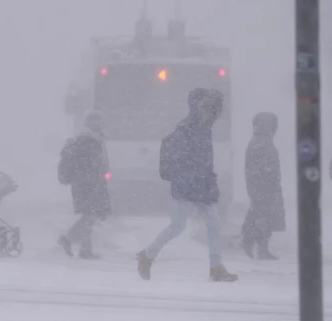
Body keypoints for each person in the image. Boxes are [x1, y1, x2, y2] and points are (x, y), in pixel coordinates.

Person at [136, 88, 238, 282]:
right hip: (186, 187)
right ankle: (147, 256)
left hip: (202, 187)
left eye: (212, 108)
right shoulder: (185, 129)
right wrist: (190, 183)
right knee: (177, 226)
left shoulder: (205, 129)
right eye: (205, 107)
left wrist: (209, 182)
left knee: (214, 224)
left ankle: (216, 267)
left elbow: (204, 162)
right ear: (195, 107)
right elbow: (179, 162)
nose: (210, 112)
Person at [57, 110, 111, 259]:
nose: (100, 124)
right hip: (86, 184)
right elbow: (86, 165)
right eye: (97, 122)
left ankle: (81, 247)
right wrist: (92, 177)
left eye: (100, 121)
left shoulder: (94, 139)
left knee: (90, 216)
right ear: (90, 124)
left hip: (91, 183)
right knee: (90, 215)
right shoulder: (86, 140)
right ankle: (76, 244)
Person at [240, 112, 285, 260]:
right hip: (263, 187)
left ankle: (255, 245)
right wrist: (268, 183)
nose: (273, 128)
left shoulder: (261, 141)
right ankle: (254, 244)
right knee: (262, 215)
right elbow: (261, 168)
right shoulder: (261, 142)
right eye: (271, 124)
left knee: (261, 215)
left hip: (264, 186)